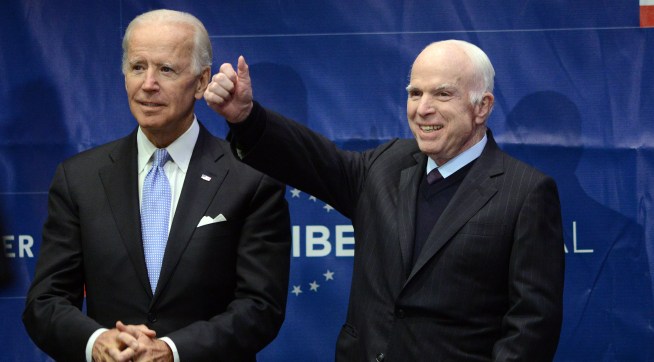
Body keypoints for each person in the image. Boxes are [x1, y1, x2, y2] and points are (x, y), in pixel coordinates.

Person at [204, 39, 565, 361]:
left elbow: (531, 326)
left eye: (442, 94)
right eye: (415, 93)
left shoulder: (525, 193)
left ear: (482, 107)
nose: (423, 108)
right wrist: (247, 119)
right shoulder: (387, 164)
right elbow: (312, 160)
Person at [23, 9, 291, 362]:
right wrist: (97, 342)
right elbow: (45, 303)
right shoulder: (79, 178)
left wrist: (172, 351)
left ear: (200, 81)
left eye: (166, 69)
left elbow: (260, 308)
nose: (148, 83)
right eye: (137, 67)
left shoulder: (251, 179)